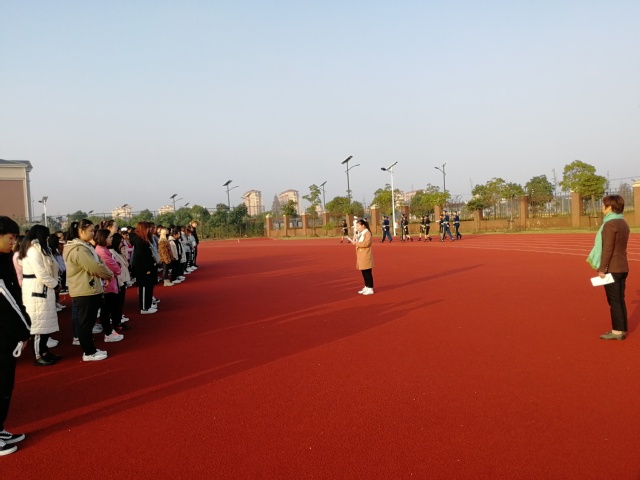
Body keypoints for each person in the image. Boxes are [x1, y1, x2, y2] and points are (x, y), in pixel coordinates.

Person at [0, 216, 31, 455]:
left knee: (5, 384)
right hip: (3, 332)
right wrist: (24, 329)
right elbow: (7, 301)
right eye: (11, 238)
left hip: (6, 332)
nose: (14, 242)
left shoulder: (4, 259)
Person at [63, 219, 113, 361]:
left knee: (88, 322)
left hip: (87, 288)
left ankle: (90, 349)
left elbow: (98, 262)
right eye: (91, 231)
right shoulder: (79, 249)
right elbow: (94, 266)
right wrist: (108, 274)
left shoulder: (84, 247)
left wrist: (106, 273)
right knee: (86, 323)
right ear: (81, 231)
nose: (93, 233)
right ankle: (89, 352)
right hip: (84, 289)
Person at [587, 195, 630, 340]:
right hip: (623, 266)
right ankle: (621, 329)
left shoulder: (609, 225)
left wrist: (602, 269)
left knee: (614, 301)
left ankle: (617, 331)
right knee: (619, 299)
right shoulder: (623, 223)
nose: (602, 207)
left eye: (603, 205)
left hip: (613, 268)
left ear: (610, 207)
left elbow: (607, 249)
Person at [18, 225, 61, 366]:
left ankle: (44, 352)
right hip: (36, 290)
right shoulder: (32, 250)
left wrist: (55, 282)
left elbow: (51, 267)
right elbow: (41, 273)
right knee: (38, 326)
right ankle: (38, 355)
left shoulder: (41, 248)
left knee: (45, 324)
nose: (48, 239)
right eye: (46, 236)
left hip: (43, 289)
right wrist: (55, 284)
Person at [93, 229, 124, 342]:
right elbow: (112, 266)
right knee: (106, 310)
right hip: (108, 284)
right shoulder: (102, 251)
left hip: (110, 282)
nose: (111, 239)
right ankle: (108, 333)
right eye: (109, 237)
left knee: (107, 309)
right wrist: (117, 267)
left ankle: (109, 331)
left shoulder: (103, 250)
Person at [132, 222, 158, 314]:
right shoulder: (139, 241)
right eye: (146, 229)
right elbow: (141, 257)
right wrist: (147, 268)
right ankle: (144, 308)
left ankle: (148, 304)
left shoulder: (144, 239)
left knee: (149, 287)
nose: (148, 230)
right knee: (144, 288)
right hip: (143, 269)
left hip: (149, 266)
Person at [348, 218, 374, 295]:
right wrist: (355, 238)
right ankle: (366, 286)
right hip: (361, 255)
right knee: (363, 272)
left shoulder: (367, 233)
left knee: (367, 272)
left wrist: (356, 243)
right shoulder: (361, 233)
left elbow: (367, 243)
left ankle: (370, 288)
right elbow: (359, 241)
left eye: (358, 226)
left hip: (365, 255)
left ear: (363, 225)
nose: (357, 228)